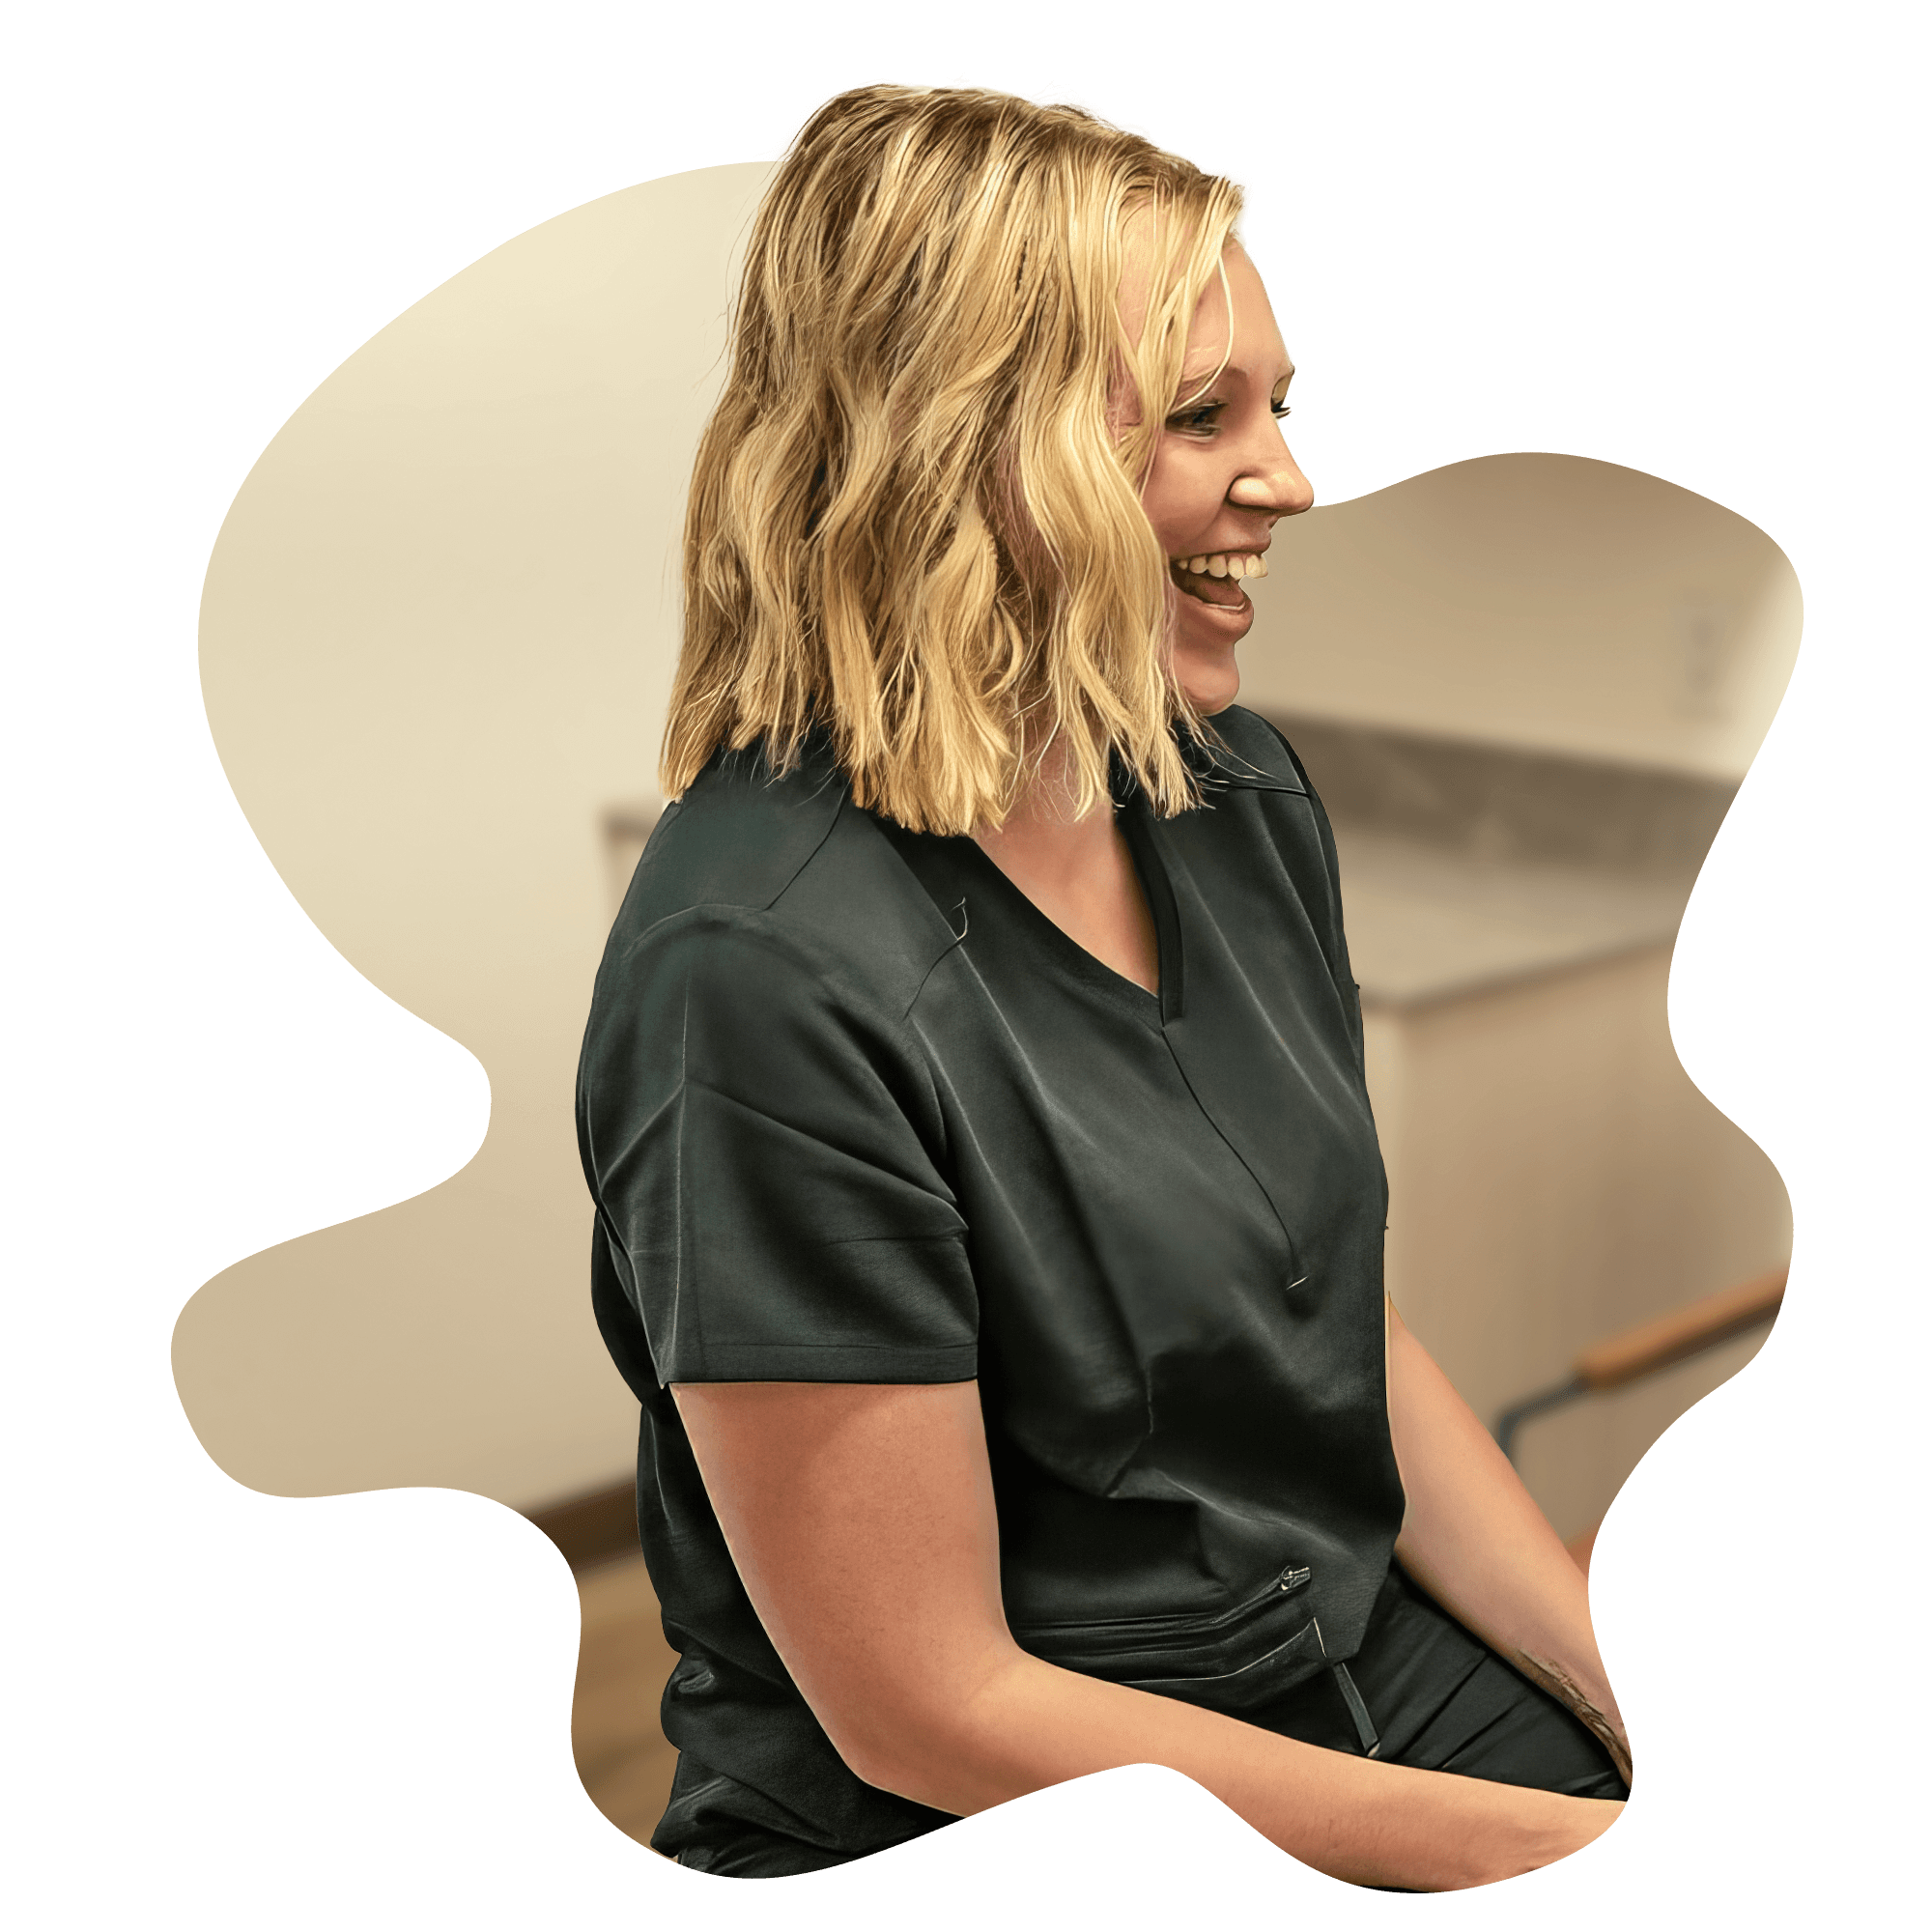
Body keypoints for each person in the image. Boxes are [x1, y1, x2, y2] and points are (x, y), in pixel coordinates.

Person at [577, 79, 1630, 1889]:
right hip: (974, 1792)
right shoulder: (758, 973)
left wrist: (1627, 1702)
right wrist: (1509, 1850)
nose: (1286, 478)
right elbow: (931, 1707)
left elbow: (1343, 1338)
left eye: (1278, 405)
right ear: (961, 451)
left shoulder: (1231, 796)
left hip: (1338, 1654)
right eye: (1200, 418)